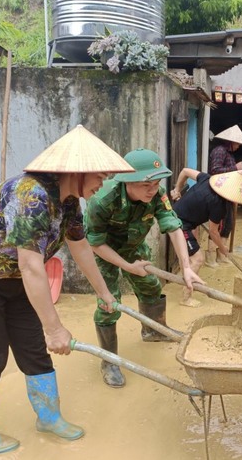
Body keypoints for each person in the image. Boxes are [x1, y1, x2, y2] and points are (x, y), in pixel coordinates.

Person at [0, 125, 134, 454]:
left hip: (12, 278)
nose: (103, 184)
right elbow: (31, 266)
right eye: (101, 176)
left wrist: (105, 294)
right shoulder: (31, 195)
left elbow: (81, 247)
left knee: (33, 350)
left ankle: (49, 417)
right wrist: (55, 328)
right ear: (78, 172)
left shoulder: (70, 202)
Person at [83, 148, 204, 388]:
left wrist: (186, 266)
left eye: (157, 183)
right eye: (146, 185)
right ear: (128, 182)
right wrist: (127, 266)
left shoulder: (157, 195)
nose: (153, 189)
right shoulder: (103, 200)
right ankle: (109, 361)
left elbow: (172, 225)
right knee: (109, 303)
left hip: (134, 247)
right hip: (104, 251)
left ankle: (153, 331)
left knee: (151, 285)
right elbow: (94, 243)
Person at [170, 168, 242, 307]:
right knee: (198, 259)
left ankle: (185, 283)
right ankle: (186, 298)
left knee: (186, 257)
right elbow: (213, 232)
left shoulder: (206, 178)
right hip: (179, 223)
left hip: (178, 216)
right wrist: (223, 249)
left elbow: (185, 171)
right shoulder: (219, 204)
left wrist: (177, 189)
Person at [207, 124, 242, 267]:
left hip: (227, 194)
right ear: (230, 141)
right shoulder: (219, 151)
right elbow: (215, 171)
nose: (238, 146)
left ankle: (221, 255)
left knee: (227, 225)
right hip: (218, 194)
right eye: (237, 143)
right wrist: (235, 168)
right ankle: (210, 257)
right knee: (217, 226)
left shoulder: (229, 154)